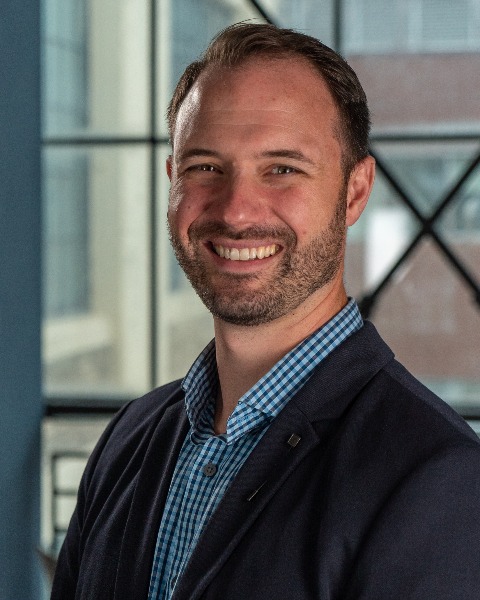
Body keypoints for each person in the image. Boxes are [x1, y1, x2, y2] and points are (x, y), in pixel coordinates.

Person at [51, 22, 480, 600]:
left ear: (355, 191)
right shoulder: (127, 440)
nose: (236, 211)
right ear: (172, 181)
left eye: (282, 169)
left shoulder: (438, 479)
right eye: (206, 167)